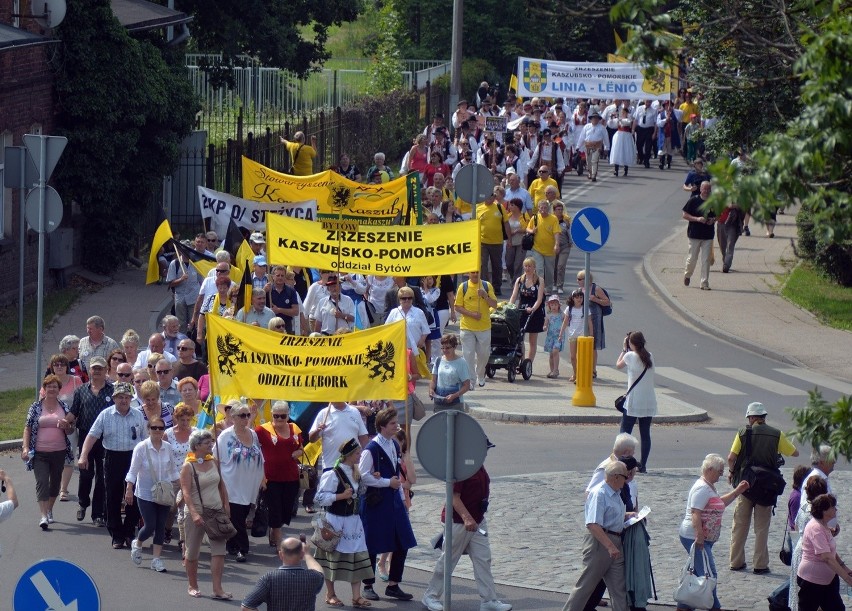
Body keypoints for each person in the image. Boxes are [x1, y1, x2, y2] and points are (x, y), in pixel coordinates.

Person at [421, 440, 512, 611]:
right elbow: (453, 497)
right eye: (485, 449)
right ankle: (430, 596)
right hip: (459, 521)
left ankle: (488, 600)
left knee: (483, 559)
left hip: (477, 521)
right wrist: (467, 518)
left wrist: (474, 519)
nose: (486, 452)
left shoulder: (478, 465)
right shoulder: (462, 467)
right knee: (448, 560)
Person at [728, 401, 800, 573]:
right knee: (761, 528)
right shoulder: (776, 434)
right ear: (764, 417)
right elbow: (794, 452)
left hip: (746, 484)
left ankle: (736, 561)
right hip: (767, 486)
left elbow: (731, 457)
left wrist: (732, 473)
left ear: (752, 417)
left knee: (740, 525)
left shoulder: (743, 432)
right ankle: (760, 565)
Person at [77, 381, 147, 549]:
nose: (123, 400)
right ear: (114, 398)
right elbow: (92, 436)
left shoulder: (138, 415)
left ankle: (129, 532)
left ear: (131, 398)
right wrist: (83, 455)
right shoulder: (105, 415)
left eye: (127, 397)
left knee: (134, 496)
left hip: (133, 457)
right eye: (120, 397)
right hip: (112, 458)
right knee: (112, 497)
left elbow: (145, 440)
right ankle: (116, 534)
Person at [359, 407, 417, 602]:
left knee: (403, 540)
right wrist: (386, 482)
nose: (396, 426)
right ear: (382, 426)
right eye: (393, 423)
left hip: (394, 502)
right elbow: (363, 476)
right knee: (373, 543)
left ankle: (393, 584)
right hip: (376, 503)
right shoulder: (371, 448)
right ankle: (367, 585)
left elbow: (395, 474)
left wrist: (400, 496)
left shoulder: (393, 444)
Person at [678, 454, 750, 611]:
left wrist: (737, 491)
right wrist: (699, 536)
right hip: (694, 537)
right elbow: (695, 513)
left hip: (701, 538)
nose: (721, 475)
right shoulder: (702, 488)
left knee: (698, 573)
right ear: (710, 469)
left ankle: (684, 606)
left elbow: (719, 503)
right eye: (720, 471)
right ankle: (714, 607)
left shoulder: (708, 486)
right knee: (709, 574)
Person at [563, 461, 632, 611]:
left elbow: (610, 516)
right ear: (615, 477)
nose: (627, 479)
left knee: (619, 588)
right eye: (624, 476)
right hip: (600, 543)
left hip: (615, 542)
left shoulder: (616, 493)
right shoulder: (599, 493)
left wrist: (627, 516)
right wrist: (610, 546)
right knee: (585, 586)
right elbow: (593, 524)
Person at [313, 438, 375, 608]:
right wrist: (340, 496)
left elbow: (360, 492)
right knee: (332, 558)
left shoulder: (356, 472)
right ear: (348, 455)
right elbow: (319, 498)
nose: (360, 455)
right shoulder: (332, 474)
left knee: (358, 557)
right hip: (336, 522)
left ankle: (356, 597)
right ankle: (330, 593)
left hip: (354, 522)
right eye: (357, 453)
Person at [180, 429, 232, 599]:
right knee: (192, 552)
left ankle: (217, 589)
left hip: (216, 512)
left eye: (211, 441)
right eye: (207, 443)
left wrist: (226, 504)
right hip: (198, 513)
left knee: (219, 551)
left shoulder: (214, 461)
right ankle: (192, 585)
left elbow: (221, 485)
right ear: (197, 446)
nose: (211, 445)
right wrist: (194, 513)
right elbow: (186, 493)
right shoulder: (188, 466)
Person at [125, 416, 180, 573]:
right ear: (148, 429)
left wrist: (181, 484)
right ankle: (138, 542)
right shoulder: (141, 447)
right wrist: (129, 489)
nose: (157, 431)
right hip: (145, 493)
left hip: (164, 492)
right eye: (154, 428)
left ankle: (156, 559)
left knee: (161, 527)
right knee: (150, 526)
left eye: (160, 428)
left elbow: (173, 469)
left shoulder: (168, 447)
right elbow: (133, 471)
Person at [23, 374, 74, 530]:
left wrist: (67, 427)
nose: (51, 389)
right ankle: (43, 515)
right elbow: (28, 428)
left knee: (55, 484)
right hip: (39, 453)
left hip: (59, 451)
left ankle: (50, 508)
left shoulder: (64, 407)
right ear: (44, 390)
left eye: (55, 386)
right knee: (42, 482)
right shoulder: (35, 407)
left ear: (59, 390)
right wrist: (25, 447)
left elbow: (71, 431)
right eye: (49, 386)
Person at [216, 402, 265, 562]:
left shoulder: (253, 434)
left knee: (241, 516)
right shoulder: (225, 436)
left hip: (249, 485)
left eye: (247, 415)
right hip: (232, 484)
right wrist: (219, 484)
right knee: (238, 518)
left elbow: (260, 456)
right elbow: (217, 460)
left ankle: (231, 544)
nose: (245, 418)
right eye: (242, 415)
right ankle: (243, 548)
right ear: (233, 417)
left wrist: (263, 478)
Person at [68, 355, 113, 526]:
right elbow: (74, 412)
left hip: (106, 438)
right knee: (86, 473)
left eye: (100, 368)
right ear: (90, 370)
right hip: (86, 436)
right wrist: (65, 421)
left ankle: (98, 513)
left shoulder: (111, 390)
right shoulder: (81, 391)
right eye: (94, 368)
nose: (96, 371)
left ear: (105, 371)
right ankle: (82, 503)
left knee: (102, 476)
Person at [256, 401, 303, 549]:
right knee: (275, 510)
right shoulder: (262, 430)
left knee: (285, 510)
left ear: (288, 415)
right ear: (272, 415)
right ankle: (279, 543)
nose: (279, 419)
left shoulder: (294, 428)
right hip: (271, 478)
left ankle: (274, 528)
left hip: (291, 477)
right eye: (276, 416)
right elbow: (248, 437)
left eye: (283, 416)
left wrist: (298, 452)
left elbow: (301, 448)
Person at [796, 494, 852, 611]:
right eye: (833, 507)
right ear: (824, 510)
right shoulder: (816, 528)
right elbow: (826, 557)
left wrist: (845, 568)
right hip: (812, 581)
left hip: (828, 580)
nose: (836, 509)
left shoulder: (824, 525)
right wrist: (847, 578)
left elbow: (831, 551)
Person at [240, 537, 325, 611]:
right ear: (301, 555)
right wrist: (307, 554)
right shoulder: (313, 577)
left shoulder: (269, 578)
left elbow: (246, 606)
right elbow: (319, 570)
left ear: (281, 554)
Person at [42, 353, 83, 502]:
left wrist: (71, 419)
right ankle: (52, 485)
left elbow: (82, 401)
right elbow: (42, 404)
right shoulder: (48, 383)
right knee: (52, 457)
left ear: (67, 366)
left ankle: (63, 489)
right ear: (52, 367)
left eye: (62, 364)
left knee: (68, 457)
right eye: (56, 364)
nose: (59, 367)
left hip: (71, 426)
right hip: (52, 427)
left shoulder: (75, 381)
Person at [615, 332, 657, 471]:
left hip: (634, 400)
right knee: (645, 434)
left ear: (631, 343)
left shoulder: (629, 356)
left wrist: (623, 349)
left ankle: (621, 461)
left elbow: (618, 365)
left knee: (625, 432)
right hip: (648, 400)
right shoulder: (649, 356)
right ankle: (643, 465)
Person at [790, 476, 830, 611]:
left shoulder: (804, 506)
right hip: (810, 554)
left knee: (799, 596)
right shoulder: (815, 512)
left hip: (799, 548)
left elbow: (796, 525)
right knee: (811, 598)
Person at [454, 270, 498, 389]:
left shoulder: (486, 286)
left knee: (484, 355)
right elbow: (457, 306)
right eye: (472, 272)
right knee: (468, 355)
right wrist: (472, 314)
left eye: (477, 272)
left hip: (484, 327)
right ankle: (471, 381)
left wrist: (485, 296)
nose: (475, 274)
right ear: (468, 273)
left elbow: (494, 305)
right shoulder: (463, 287)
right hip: (467, 327)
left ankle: (480, 374)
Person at [509, 257, 545, 366]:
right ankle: (522, 361)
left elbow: (539, 299)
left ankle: (529, 363)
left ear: (534, 267)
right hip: (522, 310)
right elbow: (514, 296)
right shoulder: (520, 280)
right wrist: (509, 306)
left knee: (532, 341)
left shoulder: (539, 280)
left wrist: (533, 308)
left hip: (535, 312)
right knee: (520, 338)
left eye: (530, 266)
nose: (527, 268)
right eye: (526, 266)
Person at [682, 181, 716, 290]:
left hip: (708, 235)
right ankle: (687, 275)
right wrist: (697, 219)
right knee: (692, 258)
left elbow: (719, 215)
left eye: (708, 189)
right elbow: (685, 215)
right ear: (700, 189)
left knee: (706, 260)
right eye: (704, 189)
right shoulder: (694, 200)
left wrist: (713, 220)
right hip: (694, 234)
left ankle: (704, 283)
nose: (706, 191)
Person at [576, 270, 610, 378]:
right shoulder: (579, 290)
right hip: (582, 319)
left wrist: (595, 299)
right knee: (580, 343)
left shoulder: (596, 289)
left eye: (580, 279)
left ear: (587, 280)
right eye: (577, 279)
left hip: (595, 318)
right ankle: (582, 367)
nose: (578, 281)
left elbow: (607, 301)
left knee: (593, 345)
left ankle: (593, 370)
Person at [476, 189, 509, 296]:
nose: (488, 198)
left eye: (490, 196)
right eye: (486, 196)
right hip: (482, 242)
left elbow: (506, 223)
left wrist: (509, 239)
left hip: (497, 242)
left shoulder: (500, 207)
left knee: (497, 266)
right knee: (483, 265)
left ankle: (497, 287)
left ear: (494, 197)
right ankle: (485, 287)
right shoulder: (478, 209)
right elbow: (473, 225)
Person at [429, 333, 470, 411]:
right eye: (442, 348)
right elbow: (433, 380)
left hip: (455, 404)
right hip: (439, 403)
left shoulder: (461, 362)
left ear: (454, 347)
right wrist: (431, 389)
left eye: (447, 348)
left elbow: (466, 385)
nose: (444, 350)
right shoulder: (438, 360)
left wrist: (454, 395)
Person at [558, 289, 591, 383]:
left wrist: (591, 335)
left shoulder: (585, 308)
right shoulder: (569, 308)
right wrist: (560, 334)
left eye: (581, 297)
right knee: (573, 356)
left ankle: (580, 376)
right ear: (573, 298)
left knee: (581, 356)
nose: (579, 299)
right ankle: (575, 373)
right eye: (577, 297)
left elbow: (589, 322)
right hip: (572, 334)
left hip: (582, 336)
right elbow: (565, 322)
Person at [579, 111, 609, 182]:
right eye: (593, 118)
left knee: (594, 161)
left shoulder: (602, 128)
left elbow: (606, 138)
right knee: (588, 161)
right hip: (588, 146)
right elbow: (582, 137)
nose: (595, 120)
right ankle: (590, 173)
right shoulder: (586, 127)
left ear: (598, 119)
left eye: (596, 118)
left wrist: (606, 147)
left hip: (597, 146)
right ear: (591, 119)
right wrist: (578, 146)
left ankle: (593, 175)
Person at [504, 198, 528, 282]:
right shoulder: (507, 216)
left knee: (518, 264)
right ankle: (512, 276)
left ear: (517, 207)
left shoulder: (524, 216)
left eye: (512, 205)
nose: (509, 206)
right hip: (510, 242)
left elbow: (528, 228)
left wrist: (518, 231)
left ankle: (516, 282)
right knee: (509, 263)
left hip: (521, 243)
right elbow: (504, 227)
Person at [543, 294, 565, 379]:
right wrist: (544, 327)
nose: (554, 306)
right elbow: (546, 324)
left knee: (555, 351)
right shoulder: (548, 315)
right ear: (549, 305)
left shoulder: (561, 314)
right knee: (551, 354)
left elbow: (566, 321)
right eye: (552, 305)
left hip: (559, 336)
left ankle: (556, 370)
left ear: (559, 305)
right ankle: (552, 370)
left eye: (555, 304)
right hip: (550, 336)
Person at [609, 108, 636, 177]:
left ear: (627, 113)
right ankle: (616, 169)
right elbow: (611, 125)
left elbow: (626, 122)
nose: (623, 114)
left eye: (624, 112)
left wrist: (618, 118)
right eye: (622, 112)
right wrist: (611, 118)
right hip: (619, 136)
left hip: (626, 136)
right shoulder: (618, 119)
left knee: (626, 151)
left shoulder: (628, 118)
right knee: (617, 151)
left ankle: (626, 169)